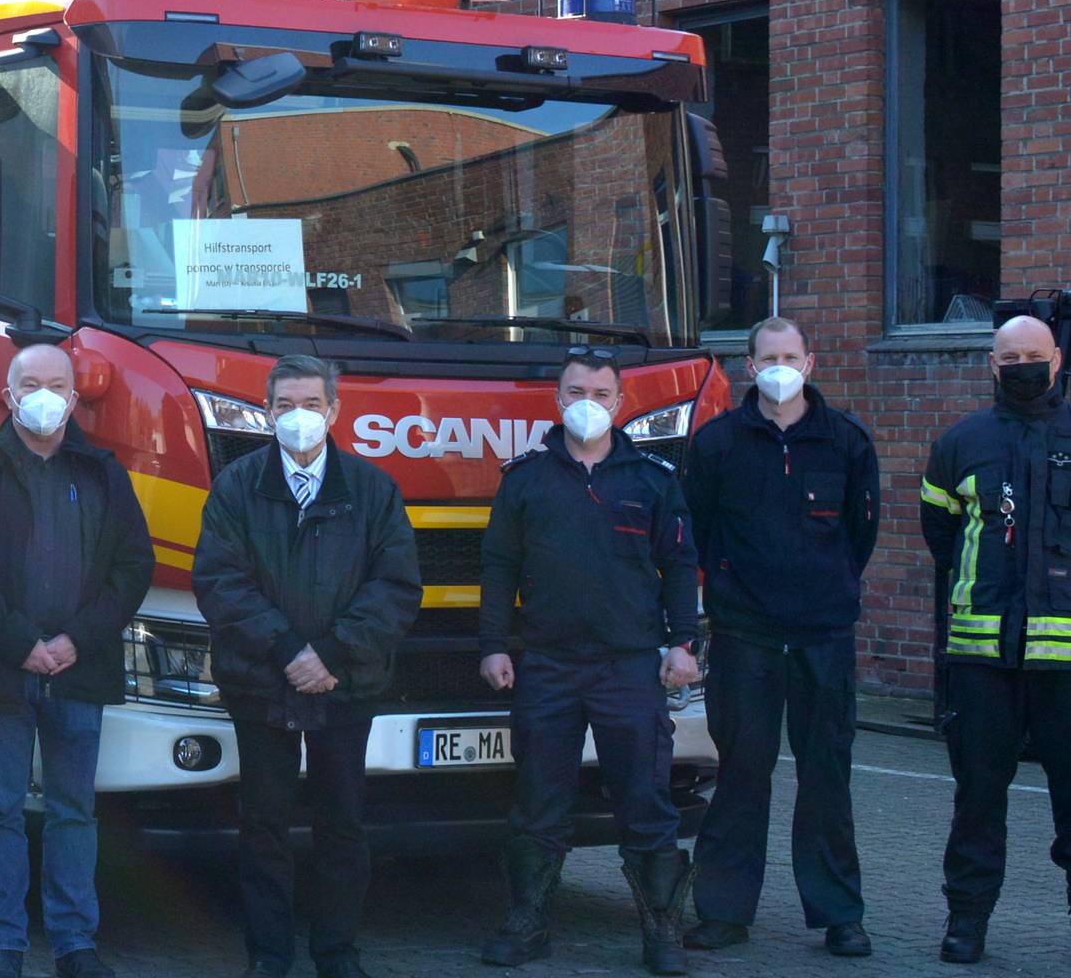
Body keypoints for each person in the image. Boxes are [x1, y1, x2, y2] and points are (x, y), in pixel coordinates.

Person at [919, 314, 1071, 971]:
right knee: (976, 804)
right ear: (993, 366)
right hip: (982, 660)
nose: (1022, 363)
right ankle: (966, 924)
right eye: (1010, 355)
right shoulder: (960, 443)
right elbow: (941, 536)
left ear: (1056, 361)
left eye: (1034, 353)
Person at [192, 354, 421, 978]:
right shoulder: (236, 487)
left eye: (311, 405)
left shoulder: (373, 489)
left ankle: (336, 953)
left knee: (341, 826)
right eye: (285, 406)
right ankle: (269, 956)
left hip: (345, 687)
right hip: (262, 684)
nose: (299, 418)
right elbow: (219, 583)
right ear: (267, 412)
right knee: (263, 826)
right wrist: (291, 651)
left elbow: (396, 587)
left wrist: (332, 654)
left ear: (334, 411)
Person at [0, 343, 153, 978]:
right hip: (1, 669)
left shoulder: (106, 475)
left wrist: (76, 640)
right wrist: (22, 643)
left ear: (75, 397)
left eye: (57, 383)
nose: (44, 394)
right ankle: (3, 944)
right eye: (31, 383)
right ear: (8, 396)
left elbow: (133, 565)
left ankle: (74, 943)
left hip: (80, 670)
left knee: (73, 810)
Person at [476, 350, 701, 976]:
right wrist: (493, 643)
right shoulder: (524, 479)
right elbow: (498, 569)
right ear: (557, 398)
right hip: (546, 665)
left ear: (619, 402)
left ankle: (662, 933)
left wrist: (684, 642)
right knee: (539, 801)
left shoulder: (653, 479)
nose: (588, 402)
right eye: (576, 390)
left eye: (601, 393)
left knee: (646, 800)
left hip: (629, 666)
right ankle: (526, 926)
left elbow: (680, 566)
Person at [680, 319, 878, 958]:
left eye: (790, 356)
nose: (780, 366)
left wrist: (827, 589)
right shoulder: (717, 445)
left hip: (823, 636)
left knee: (827, 777)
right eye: (769, 357)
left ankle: (839, 913)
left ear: (811, 362)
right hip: (745, 637)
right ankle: (722, 912)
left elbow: (860, 534)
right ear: (749, 365)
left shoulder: (846, 441)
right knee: (741, 775)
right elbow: (698, 535)